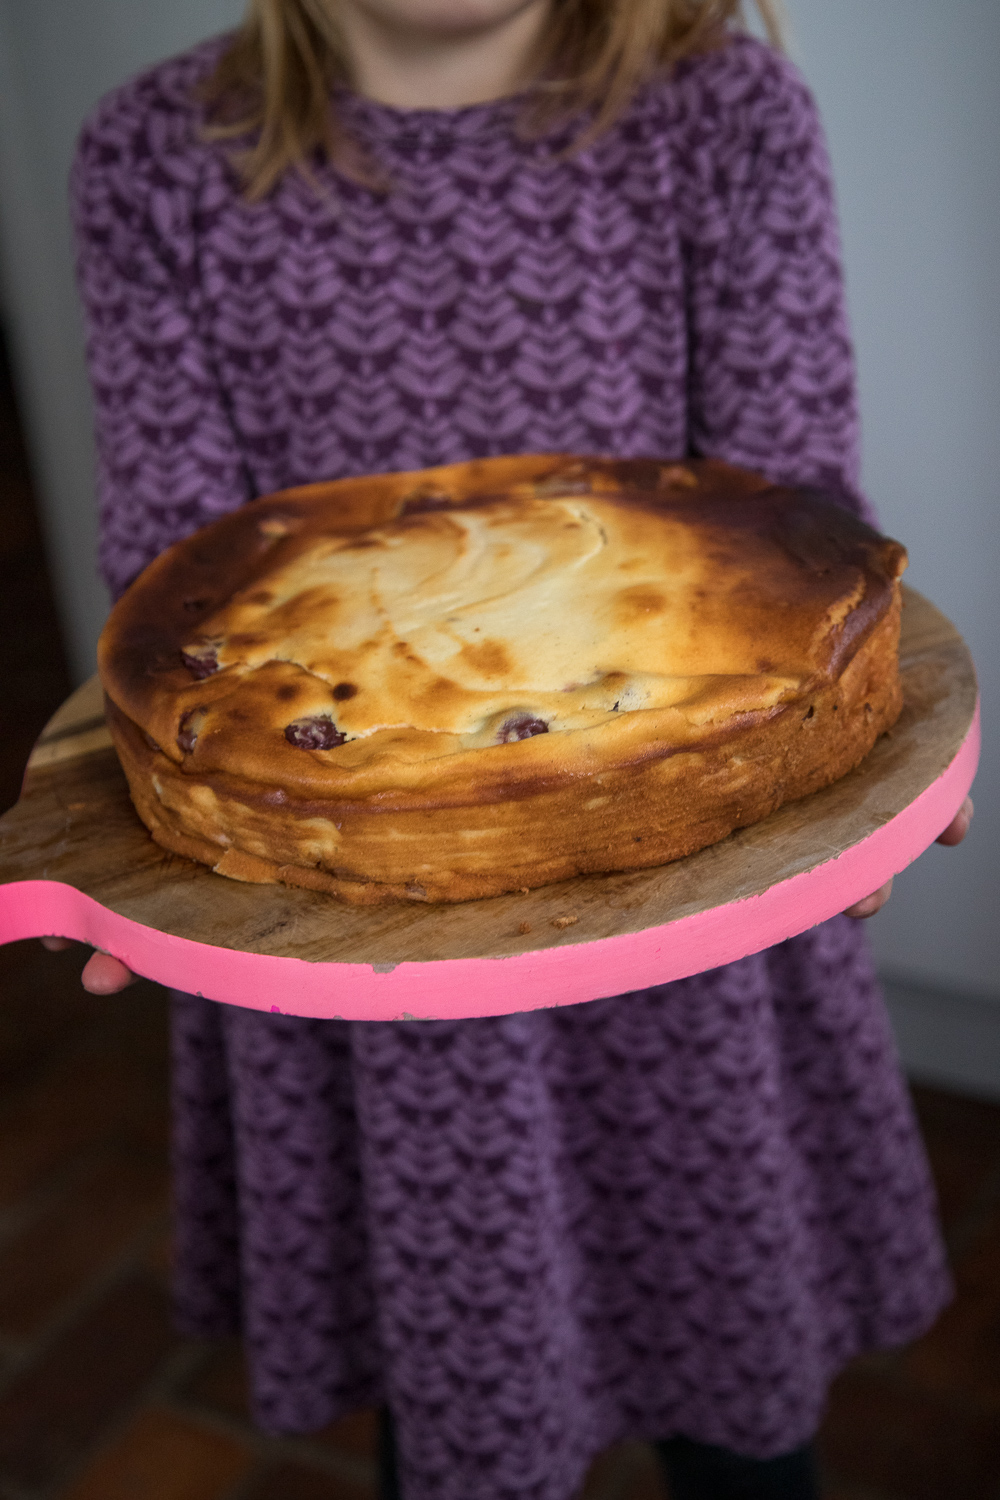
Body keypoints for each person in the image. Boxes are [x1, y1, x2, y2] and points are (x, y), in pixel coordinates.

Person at [57, 2, 973, 1496]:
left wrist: (857, 776)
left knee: (736, 1370)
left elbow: (804, 530)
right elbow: (174, 587)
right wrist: (155, 839)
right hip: (363, 940)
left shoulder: (720, 114)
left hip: (692, 906)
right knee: (464, 1381)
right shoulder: (159, 159)